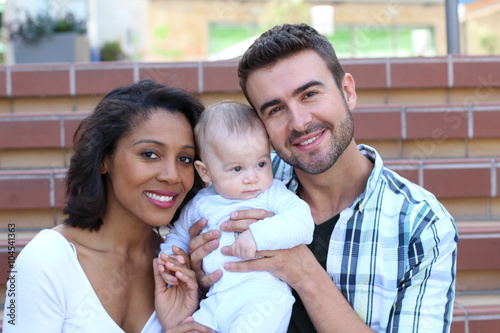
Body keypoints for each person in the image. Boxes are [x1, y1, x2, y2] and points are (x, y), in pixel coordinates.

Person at [188, 23, 458, 333]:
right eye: (275, 109)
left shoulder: (420, 223)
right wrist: (199, 280)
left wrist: (303, 272)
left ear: (347, 91)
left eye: (310, 94)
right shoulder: (237, 185)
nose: (299, 122)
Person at [2, 80, 214, 333]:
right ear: (104, 159)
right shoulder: (46, 259)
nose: (172, 175)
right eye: (150, 154)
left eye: (184, 159)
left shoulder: (178, 268)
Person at [159, 101, 315, 332]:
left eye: (261, 163)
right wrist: (171, 261)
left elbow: (302, 222)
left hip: (261, 296)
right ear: (206, 171)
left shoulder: (272, 192)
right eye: (237, 169)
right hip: (215, 299)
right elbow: (179, 237)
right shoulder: (201, 203)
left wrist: (258, 236)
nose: (252, 177)